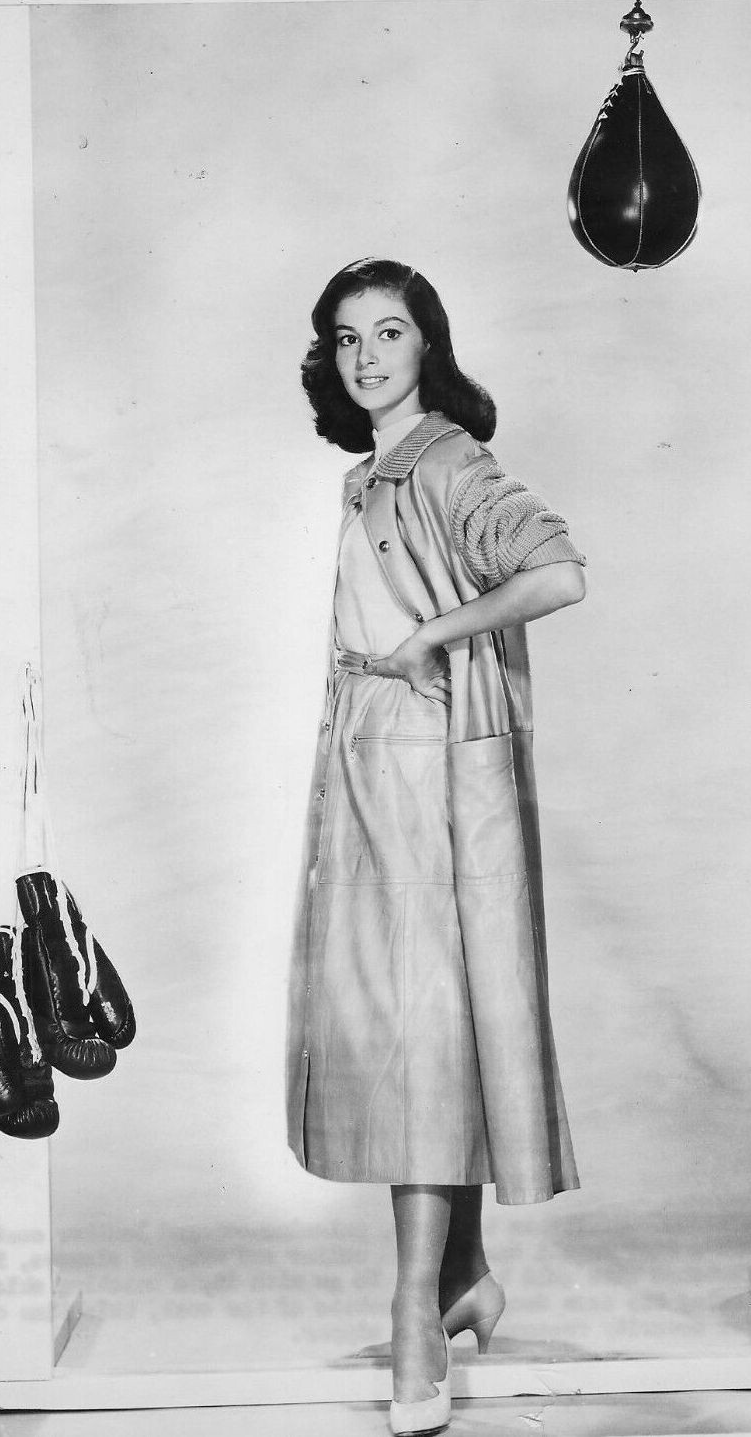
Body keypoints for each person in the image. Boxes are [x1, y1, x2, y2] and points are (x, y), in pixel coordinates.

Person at [288, 257, 584, 1435]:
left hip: (424, 772)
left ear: (430, 344)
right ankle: (462, 1274)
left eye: (391, 332)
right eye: (347, 337)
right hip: (367, 762)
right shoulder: (370, 473)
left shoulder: (449, 460)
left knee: (418, 1033)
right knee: (416, 1027)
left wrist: (434, 637)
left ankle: (416, 1313)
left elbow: (556, 571)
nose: (367, 356)